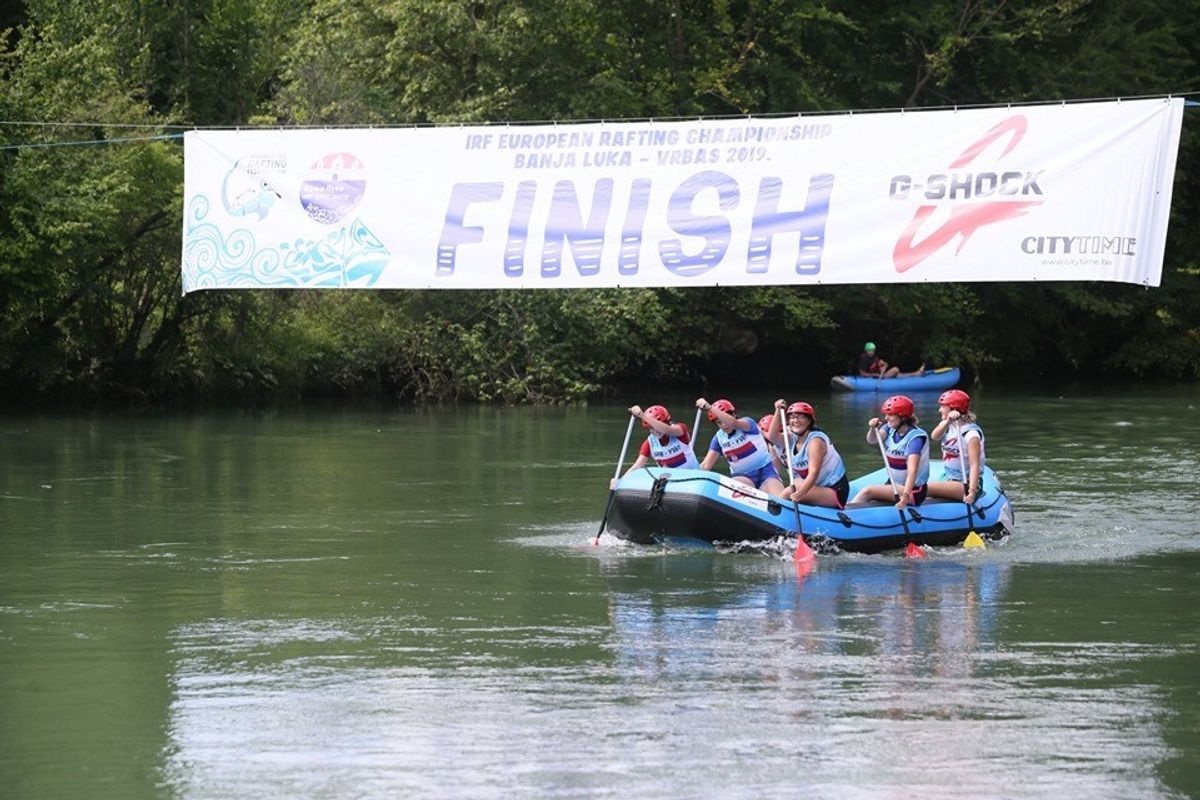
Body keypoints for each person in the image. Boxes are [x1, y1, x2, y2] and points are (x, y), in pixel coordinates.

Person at [695, 397, 785, 496]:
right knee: (736, 486)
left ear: (733, 414)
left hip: (766, 472)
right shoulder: (718, 439)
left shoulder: (747, 423)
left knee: (779, 498)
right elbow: (706, 465)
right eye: (719, 423)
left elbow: (733, 423)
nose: (724, 425)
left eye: (724, 419)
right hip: (743, 477)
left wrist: (709, 407)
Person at [852, 394, 930, 509]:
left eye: (890, 415)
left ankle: (848, 514)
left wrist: (905, 497)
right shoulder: (889, 428)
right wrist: (873, 428)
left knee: (868, 491)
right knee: (872, 498)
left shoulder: (915, 439)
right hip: (893, 484)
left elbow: (912, 472)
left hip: (912, 491)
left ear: (903, 417)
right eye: (886, 414)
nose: (886, 418)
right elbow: (872, 440)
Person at [770, 399, 850, 508]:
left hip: (835, 491)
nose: (795, 420)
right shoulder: (792, 438)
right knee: (796, 482)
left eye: (800, 417)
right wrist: (778, 411)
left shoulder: (815, 441)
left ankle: (777, 511)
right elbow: (772, 437)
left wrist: (800, 494)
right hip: (817, 487)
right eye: (792, 417)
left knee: (789, 491)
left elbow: (813, 473)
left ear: (810, 420)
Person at [926, 390, 986, 504]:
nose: (939, 410)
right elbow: (934, 436)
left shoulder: (971, 434)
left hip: (966, 484)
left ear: (953, 409)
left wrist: (972, 492)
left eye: (943, 406)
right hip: (948, 478)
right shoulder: (946, 424)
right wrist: (948, 420)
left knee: (923, 489)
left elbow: (974, 466)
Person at [621, 404, 700, 476]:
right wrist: (620, 481)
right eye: (651, 428)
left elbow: (666, 430)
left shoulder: (680, 429)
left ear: (666, 422)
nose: (656, 430)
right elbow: (637, 466)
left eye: (656, 426)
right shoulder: (649, 443)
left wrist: (642, 416)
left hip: (692, 478)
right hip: (670, 482)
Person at [857, 341, 924, 379]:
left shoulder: (875, 358)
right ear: (866, 351)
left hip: (881, 376)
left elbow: (885, 363)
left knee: (899, 375)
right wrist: (876, 375)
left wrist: (884, 367)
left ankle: (917, 373)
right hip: (875, 378)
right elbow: (863, 374)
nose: (872, 352)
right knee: (895, 369)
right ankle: (917, 373)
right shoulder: (864, 359)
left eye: (873, 350)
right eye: (870, 351)